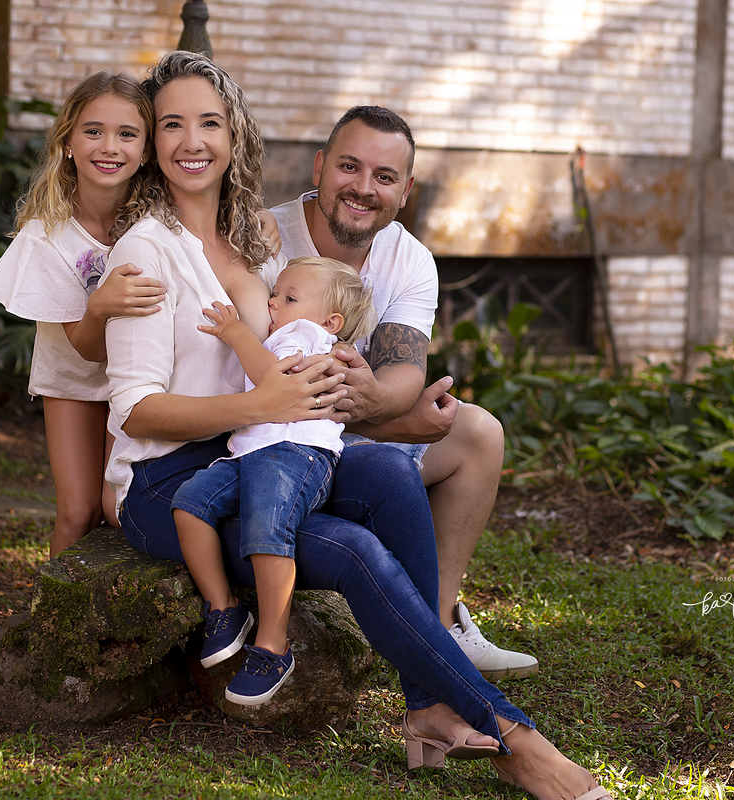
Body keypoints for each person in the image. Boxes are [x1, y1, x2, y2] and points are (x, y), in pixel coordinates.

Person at [102, 50, 609, 800]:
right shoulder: (148, 248)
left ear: (234, 136)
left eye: (208, 121)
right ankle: (513, 739)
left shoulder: (243, 250)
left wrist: (325, 406)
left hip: (242, 452)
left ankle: (433, 706)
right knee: (354, 548)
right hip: (165, 485)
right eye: (170, 123)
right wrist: (264, 407)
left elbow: (276, 366)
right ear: (150, 140)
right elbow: (135, 410)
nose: (190, 140)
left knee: (382, 469)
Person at [269, 106, 538, 679]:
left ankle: (439, 624)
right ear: (319, 167)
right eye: (349, 167)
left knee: (478, 433)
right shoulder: (265, 239)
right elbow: (259, 382)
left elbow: (403, 376)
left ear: (406, 189)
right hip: (267, 443)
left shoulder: (409, 258)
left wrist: (374, 401)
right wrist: (387, 419)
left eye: (384, 177)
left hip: (343, 436)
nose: (364, 189)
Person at [171, 256, 376, 705]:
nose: (273, 300)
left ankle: (273, 645)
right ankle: (223, 609)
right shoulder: (288, 334)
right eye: (275, 292)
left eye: (289, 297)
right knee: (189, 504)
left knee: (267, 524)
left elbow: (271, 379)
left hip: (295, 453)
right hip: (250, 452)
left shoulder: (308, 337)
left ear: (330, 320)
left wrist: (236, 333)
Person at [0, 72, 167, 558]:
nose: (110, 146)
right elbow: (85, 346)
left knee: (117, 506)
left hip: (141, 379)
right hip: (74, 379)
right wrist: (101, 305)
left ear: (147, 150)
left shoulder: (158, 223)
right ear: (67, 141)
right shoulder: (48, 236)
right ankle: (46, 617)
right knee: (78, 510)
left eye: (127, 134)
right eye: (93, 131)